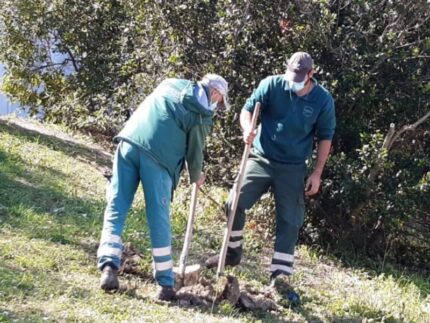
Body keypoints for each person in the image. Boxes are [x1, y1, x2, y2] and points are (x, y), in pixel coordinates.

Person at [205, 52, 336, 301]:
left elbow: (326, 136)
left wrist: (317, 173)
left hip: (293, 166)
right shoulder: (272, 84)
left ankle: (280, 276)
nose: (294, 81)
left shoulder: (322, 100)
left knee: (290, 220)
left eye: (300, 77)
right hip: (261, 158)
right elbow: (246, 110)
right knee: (234, 203)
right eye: (291, 75)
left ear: (311, 73)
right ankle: (231, 253)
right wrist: (248, 129)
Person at [97, 74, 230, 301]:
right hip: (158, 160)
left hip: (128, 141)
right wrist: (197, 176)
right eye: (219, 101)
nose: (217, 106)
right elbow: (195, 152)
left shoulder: (169, 83)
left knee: (117, 203)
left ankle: (109, 266)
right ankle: (165, 284)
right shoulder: (201, 115)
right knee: (158, 218)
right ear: (215, 94)